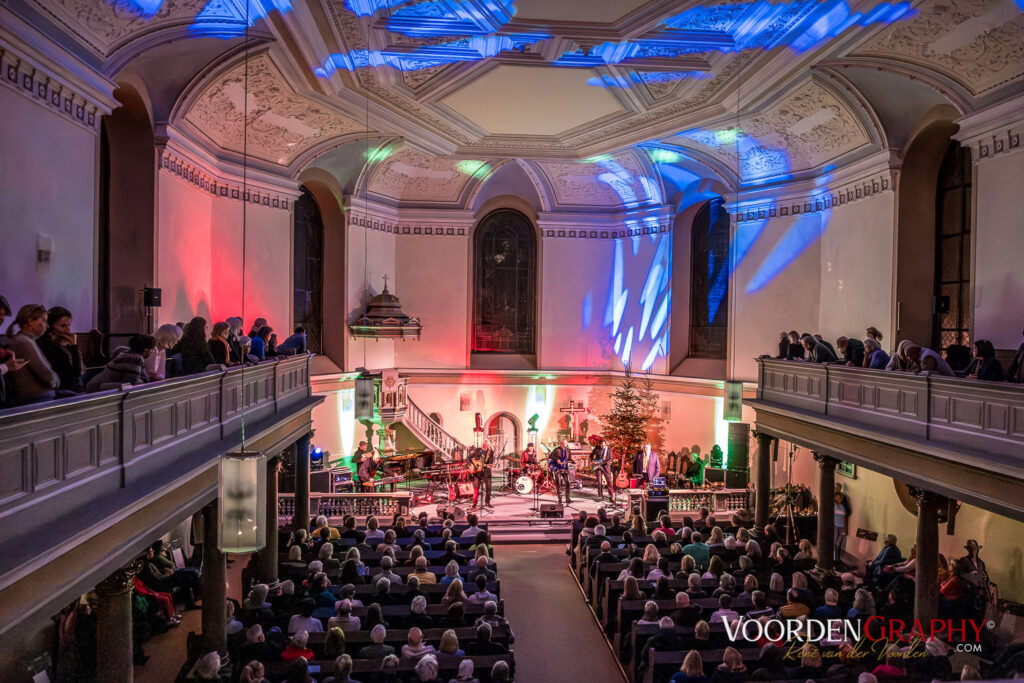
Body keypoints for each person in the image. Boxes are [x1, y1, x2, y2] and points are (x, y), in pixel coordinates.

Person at [6, 304, 59, 404]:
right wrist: (54, 382)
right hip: (36, 398)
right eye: (44, 320)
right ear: (30, 321)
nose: (47, 326)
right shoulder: (24, 342)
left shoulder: (26, 340)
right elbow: (45, 374)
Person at [37, 306, 84, 394]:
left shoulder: (66, 343)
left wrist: (74, 346)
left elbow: (80, 370)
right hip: (62, 391)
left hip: (75, 388)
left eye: (69, 325)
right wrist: (74, 346)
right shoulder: (46, 346)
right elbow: (74, 373)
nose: (67, 329)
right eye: (62, 326)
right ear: (49, 326)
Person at [86, 334, 155, 391]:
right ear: (146, 350)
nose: (153, 352)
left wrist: (144, 380)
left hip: (95, 385)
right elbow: (130, 383)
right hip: (96, 387)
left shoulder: (128, 352)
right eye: (152, 350)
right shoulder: (135, 358)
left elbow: (145, 378)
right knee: (133, 384)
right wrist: (144, 381)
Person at [591, 437, 616, 503]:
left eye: (604, 445)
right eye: (601, 445)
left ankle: (611, 497)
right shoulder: (597, 448)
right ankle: (600, 496)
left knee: (609, 482)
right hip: (598, 467)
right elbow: (591, 456)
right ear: (600, 445)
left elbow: (610, 458)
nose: (603, 447)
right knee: (599, 482)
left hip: (606, 467)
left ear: (606, 444)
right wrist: (593, 461)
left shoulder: (609, 450)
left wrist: (609, 462)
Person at [549, 439, 574, 505]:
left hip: (565, 468)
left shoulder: (568, 450)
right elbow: (550, 456)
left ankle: (567, 498)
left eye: (565, 443)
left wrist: (574, 462)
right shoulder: (557, 449)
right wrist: (557, 459)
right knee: (558, 483)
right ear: (560, 444)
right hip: (558, 468)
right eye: (563, 443)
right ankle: (560, 499)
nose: (564, 445)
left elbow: (569, 459)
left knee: (568, 483)